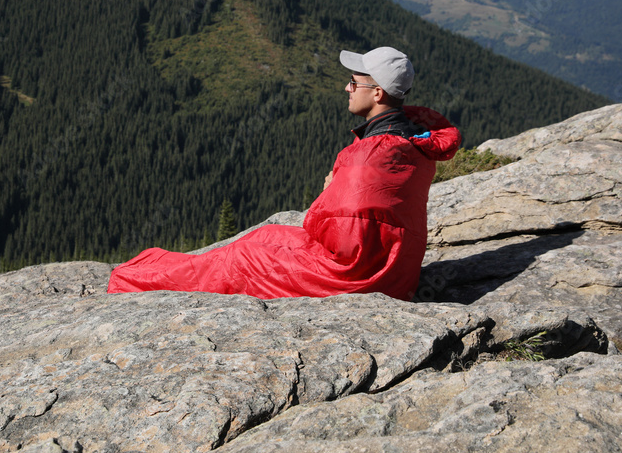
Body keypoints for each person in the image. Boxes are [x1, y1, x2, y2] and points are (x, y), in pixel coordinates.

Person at [107, 46, 461, 301]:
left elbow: (339, 232)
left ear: (378, 92)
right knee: (264, 236)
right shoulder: (413, 137)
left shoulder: (371, 154)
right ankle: (150, 267)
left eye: (354, 83)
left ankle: (133, 278)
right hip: (394, 269)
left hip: (357, 278)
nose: (346, 88)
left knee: (240, 259)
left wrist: (328, 191)